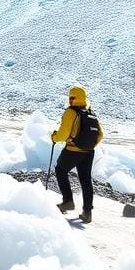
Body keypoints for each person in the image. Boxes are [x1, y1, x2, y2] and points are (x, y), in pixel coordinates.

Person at [51, 85, 103, 224]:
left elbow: (63, 134)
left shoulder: (71, 112)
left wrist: (54, 137)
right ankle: (87, 212)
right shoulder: (90, 112)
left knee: (60, 170)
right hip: (89, 152)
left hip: (73, 150)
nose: (70, 100)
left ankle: (68, 201)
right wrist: (88, 145)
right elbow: (100, 135)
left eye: (71, 97)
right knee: (86, 180)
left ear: (75, 98)